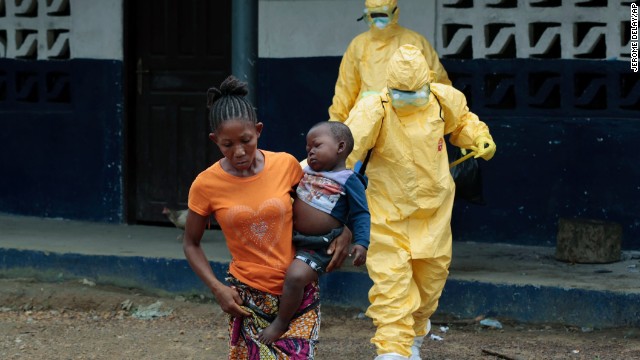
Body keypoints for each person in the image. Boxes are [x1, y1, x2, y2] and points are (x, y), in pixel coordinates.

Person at [341, 44, 496, 360]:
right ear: (390, 85)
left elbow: (463, 122)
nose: (408, 98)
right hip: (387, 212)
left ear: (427, 82)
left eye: (415, 92)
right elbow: (345, 148)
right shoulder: (374, 109)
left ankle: (415, 334)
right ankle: (392, 349)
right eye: (402, 92)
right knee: (391, 284)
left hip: (434, 213)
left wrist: (478, 137)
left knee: (430, 285)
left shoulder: (442, 99)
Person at [182, 75, 353, 359]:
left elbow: (324, 201)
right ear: (215, 140)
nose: (238, 152)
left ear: (258, 130)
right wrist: (217, 289)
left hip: (298, 293)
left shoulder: (285, 165)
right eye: (227, 145)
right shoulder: (205, 184)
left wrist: (344, 230)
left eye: (246, 141)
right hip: (247, 299)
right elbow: (191, 243)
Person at [258, 121, 371, 344]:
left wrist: (361, 243)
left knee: (296, 277)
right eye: (308, 147)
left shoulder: (349, 180)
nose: (310, 151)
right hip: (291, 237)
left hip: (320, 244)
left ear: (340, 147)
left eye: (317, 145)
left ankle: (281, 323)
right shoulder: (303, 171)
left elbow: (361, 214)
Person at [328, 0, 451, 122]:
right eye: (374, 15)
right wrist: (335, 125)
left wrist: (436, 115)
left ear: (395, 13)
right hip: (368, 118)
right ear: (367, 15)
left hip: (407, 119)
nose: (378, 20)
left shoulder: (415, 42)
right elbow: (346, 89)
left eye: (383, 14)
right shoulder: (358, 45)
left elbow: (439, 83)